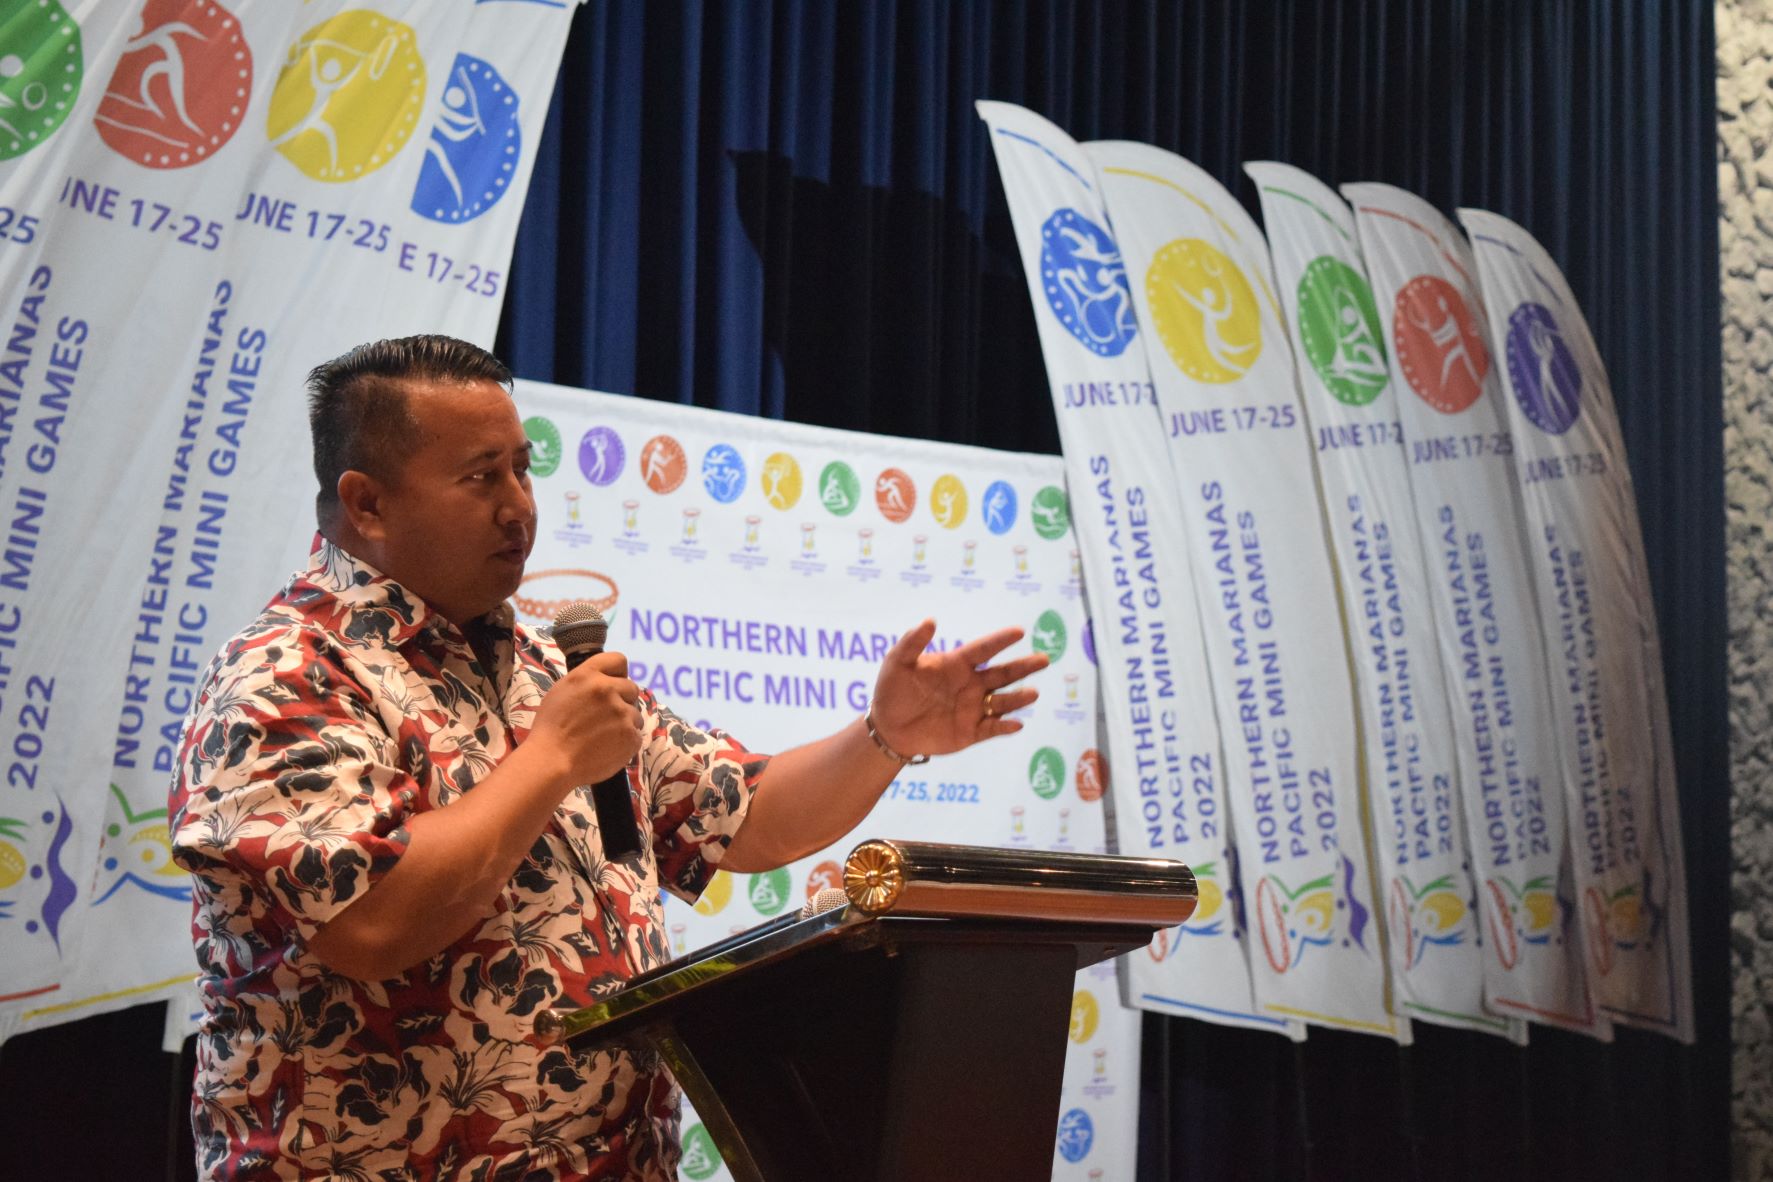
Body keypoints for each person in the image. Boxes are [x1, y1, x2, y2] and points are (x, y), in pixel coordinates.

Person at [168, 335, 1046, 1180]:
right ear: (367, 504)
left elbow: (743, 816)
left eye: (522, 468)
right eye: (480, 477)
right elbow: (371, 925)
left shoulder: (548, 663)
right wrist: (549, 758)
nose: (519, 505)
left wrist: (885, 737)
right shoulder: (284, 675)